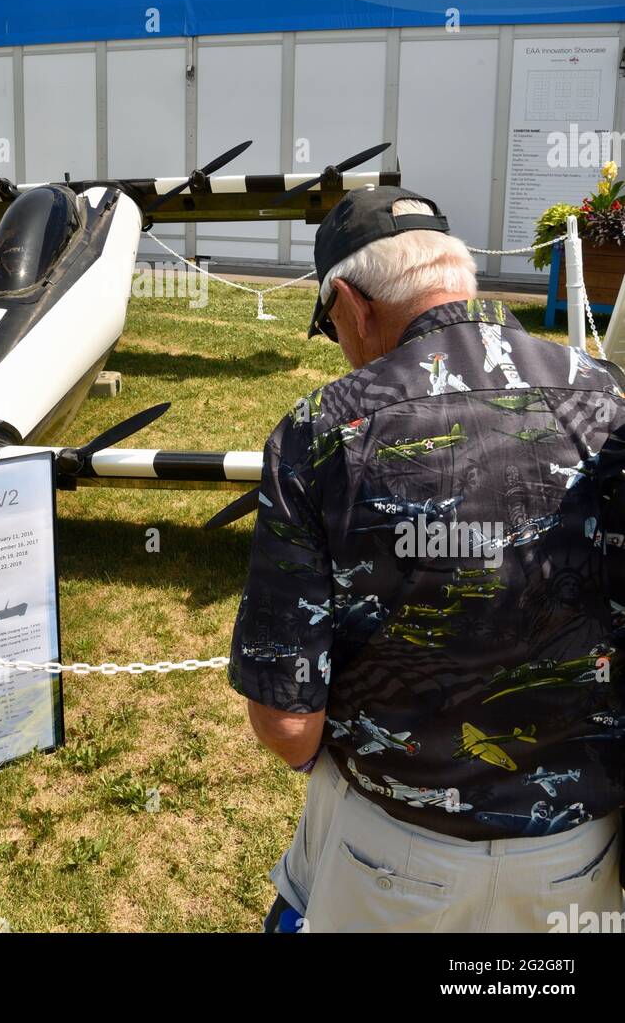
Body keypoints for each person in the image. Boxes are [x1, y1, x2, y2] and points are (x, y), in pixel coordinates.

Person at [228, 185, 625, 933]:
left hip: (394, 857)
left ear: (352, 302)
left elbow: (287, 727)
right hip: (579, 862)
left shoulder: (321, 432)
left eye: (332, 325)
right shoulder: (608, 399)